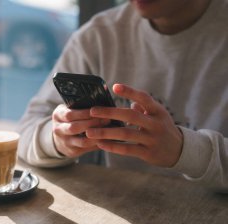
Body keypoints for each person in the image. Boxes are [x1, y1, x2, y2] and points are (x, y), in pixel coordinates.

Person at [17, 0, 228, 191]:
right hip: (123, 210)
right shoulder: (100, 36)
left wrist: (184, 150)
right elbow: (24, 134)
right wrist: (58, 139)